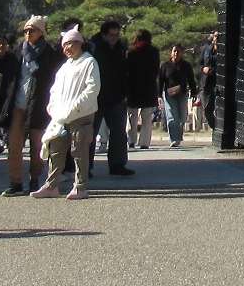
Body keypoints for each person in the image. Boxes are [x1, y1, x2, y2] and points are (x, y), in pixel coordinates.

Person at [36, 26, 101, 199]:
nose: (67, 48)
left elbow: (92, 89)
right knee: (55, 149)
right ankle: (52, 185)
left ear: (80, 44)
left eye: (71, 44)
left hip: (81, 114)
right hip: (61, 116)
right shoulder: (64, 67)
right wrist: (52, 107)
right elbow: (54, 91)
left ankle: (80, 186)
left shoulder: (89, 62)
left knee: (79, 150)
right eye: (65, 45)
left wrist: (75, 107)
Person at [3, 16, 62, 195]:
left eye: (33, 30)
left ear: (41, 32)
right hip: (18, 104)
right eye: (26, 30)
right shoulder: (17, 52)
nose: (28, 33)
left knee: (38, 145)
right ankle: (15, 182)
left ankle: (35, 178)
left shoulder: (50, 54)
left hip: (39, 104)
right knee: (14, 145)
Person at [88, 17, 134, 176]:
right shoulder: (93, 47)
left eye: (117, 35)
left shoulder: (121, 48)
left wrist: (125, 92)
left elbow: (125, 71)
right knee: (90, 133)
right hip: (96, 96)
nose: (114, 38)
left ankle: (118, 164)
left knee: (119, 132)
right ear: (104, 35)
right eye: (112, 35)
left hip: (116, 96)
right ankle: (85, 166)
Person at [124, 28, 161, 151]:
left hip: (132, 87)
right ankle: (144, 142)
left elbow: (126, 71)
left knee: (132, 116)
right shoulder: (154, 52)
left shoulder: (130, 52)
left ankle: (131, 140)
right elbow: (156, 70)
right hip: (148, 87)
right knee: (146, 117)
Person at [158, 44, 197, 148]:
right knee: (172, 116)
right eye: (174, 51)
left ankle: (178, 136)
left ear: (182, 53)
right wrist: (159, 95)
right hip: (169, 94)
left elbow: (191, 80)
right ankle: (174, 139)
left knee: (182, 117)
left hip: (182, 93)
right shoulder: (165, 65)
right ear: (171, 53)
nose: (176, 53)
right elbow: (160, 81)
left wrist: (194, 93)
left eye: (178, 51)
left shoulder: (186, 65)